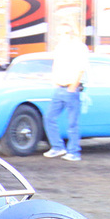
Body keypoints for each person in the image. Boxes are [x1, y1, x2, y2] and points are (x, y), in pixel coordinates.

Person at [44, 25, 89, 161]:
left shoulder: (79, 48)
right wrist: (55, 81)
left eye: (63, 33)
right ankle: (57, 147)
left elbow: (81, 68)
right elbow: (56, 65)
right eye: (59, 33)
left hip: (71, 88)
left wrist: (73, 86)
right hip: (60, 87)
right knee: (49, 117)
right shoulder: (60, 48)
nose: (60, 36)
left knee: (72, 122)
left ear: (71, 34)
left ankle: (74, 152)